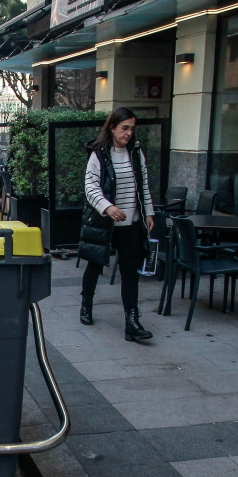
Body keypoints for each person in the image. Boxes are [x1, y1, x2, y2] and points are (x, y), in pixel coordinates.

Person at [77, 107, 155, 341]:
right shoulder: (98, 154)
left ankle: (132, 321)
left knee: (130, 272)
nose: (129, 133)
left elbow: (144, 185)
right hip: (103, 221)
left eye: (132, 128)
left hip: (131, 222)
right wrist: (108, 207)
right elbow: (90, 189)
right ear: (112, 127)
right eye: (124, 128)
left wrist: (148, 212)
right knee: (94, 264)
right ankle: (86, 304)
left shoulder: (136, 152)